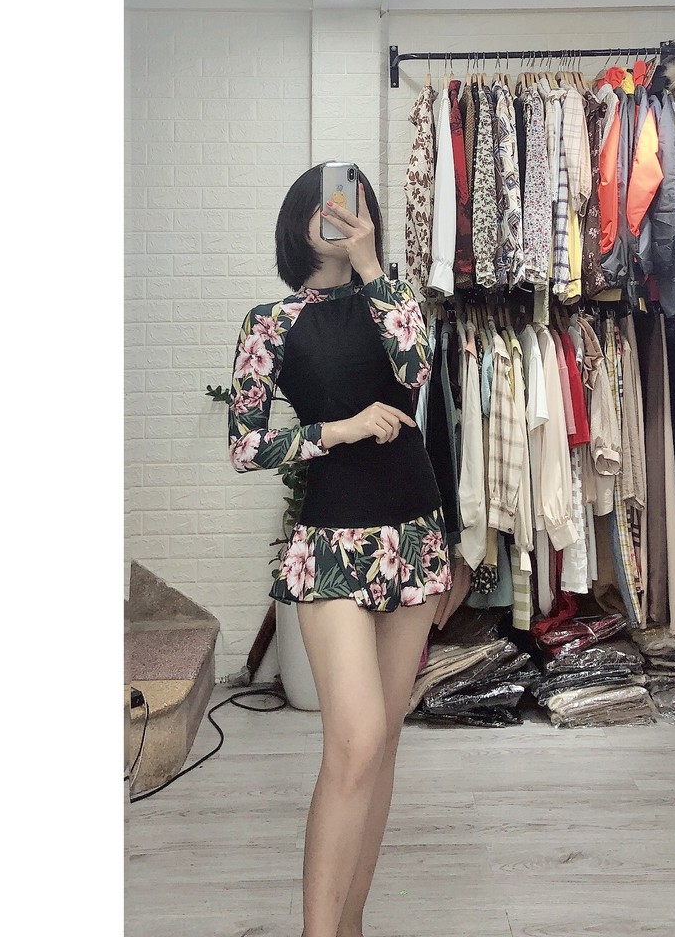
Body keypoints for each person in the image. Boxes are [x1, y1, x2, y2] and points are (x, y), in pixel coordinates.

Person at [227, 163, 452, 937]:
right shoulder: (270, 322)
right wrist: (340, 429)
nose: (338, 215)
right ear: (298, 222)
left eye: (351, 204)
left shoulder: (392, 299)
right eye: (323, 205)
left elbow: (417, 371)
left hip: (413, 531)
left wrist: (371, 266)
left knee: (383, 742)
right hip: (329, 542)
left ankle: (350, 922)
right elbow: (246, 447)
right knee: (354, 740)